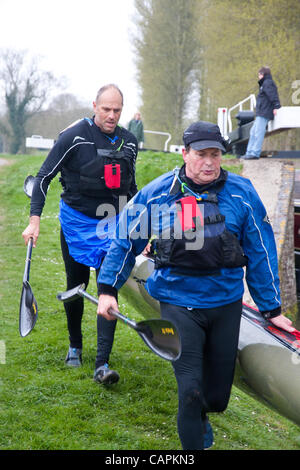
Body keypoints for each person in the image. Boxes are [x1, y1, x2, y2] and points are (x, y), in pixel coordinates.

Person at [95, 120, 295, 450]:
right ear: (185, 153)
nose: (209, 162)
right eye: (201, 154)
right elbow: (125, 241)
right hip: (177, 302)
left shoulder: (242, 194)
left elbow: (261, 250)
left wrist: (271, 308)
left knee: (215, 398)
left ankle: (202, 415)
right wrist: (107, 289)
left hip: (225, 304)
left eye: (216, 154)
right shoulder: (158, 193)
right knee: (189, 392)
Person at [22, 84, 138, 385]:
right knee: (76, 284)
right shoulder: (73, 137)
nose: (112, 115)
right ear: (95, 106)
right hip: (76, 223)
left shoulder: (129, 142)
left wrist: (139, 230)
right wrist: (34, 221)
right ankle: (75, 345)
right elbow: (44, 178)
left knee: (107, 288)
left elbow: (131, 190)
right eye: (106, 109)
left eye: (117, 110)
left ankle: (103, 365)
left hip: (113, 225)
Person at [241, 66, 281, 160]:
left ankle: (254, 153)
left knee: (258, 132)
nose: (258, 76)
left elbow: (273, 95)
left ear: (263, 74)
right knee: (253, 132)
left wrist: (276, 106)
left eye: (259, 74)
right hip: (261, 112)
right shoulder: (265, 84)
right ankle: (250, 152)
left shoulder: (268, 83)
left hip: (264, 112)